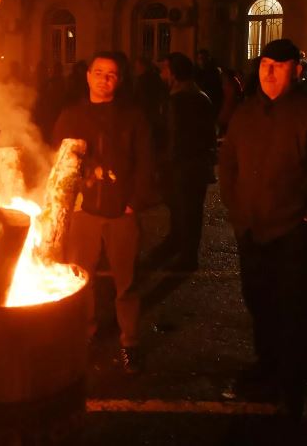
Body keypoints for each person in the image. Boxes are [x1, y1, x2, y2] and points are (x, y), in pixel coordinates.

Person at [219, 39, 307, 415]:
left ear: (296, 70)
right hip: (251, 231)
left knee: (293, 311)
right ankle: (267, 367)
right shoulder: (246, 113)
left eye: (278, 66)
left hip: (292, 234)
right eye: (264, 65)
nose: (269, 73)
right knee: (259, 303)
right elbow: (227, 164)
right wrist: (237, 208)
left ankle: (292, 385)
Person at [52, 51, 154, 374]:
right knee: (82, 279)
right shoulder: (71, 115)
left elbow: (146, 162)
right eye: (98, 73)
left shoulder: (133, 116)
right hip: (85, 212)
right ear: (88, 76)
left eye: (110, 74)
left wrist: (133, 203)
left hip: (121, 212)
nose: (103, 79)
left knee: (127, 282)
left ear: (119, 80)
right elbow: (61, 162)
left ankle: (130, 342)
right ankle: (85, 335)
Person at [149, 52, 216, 271]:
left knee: (187, 210)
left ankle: (187, 256)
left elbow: (171, 135)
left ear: (174, 73)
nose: (162, 74)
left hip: (182, 165)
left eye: (165, 69)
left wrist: (162, 165)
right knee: (185, 210)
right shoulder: (201, 97)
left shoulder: (177, 100)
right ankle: (178, 244)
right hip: (193, 164)